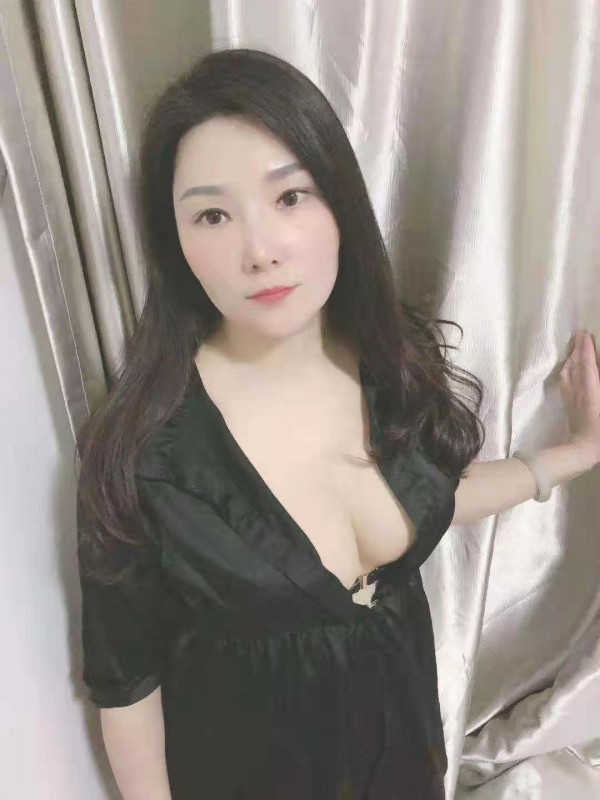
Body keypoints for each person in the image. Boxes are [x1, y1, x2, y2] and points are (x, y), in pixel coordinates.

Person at [75, 47, 496, 800]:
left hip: (406, 761)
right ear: (175, 242)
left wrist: (564, 459)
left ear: (341, 205)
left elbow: (432, 491)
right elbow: (125, 682)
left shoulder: (391, 363)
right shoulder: (144, 450)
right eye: (212, 215)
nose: (260, 251)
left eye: (290, 197)